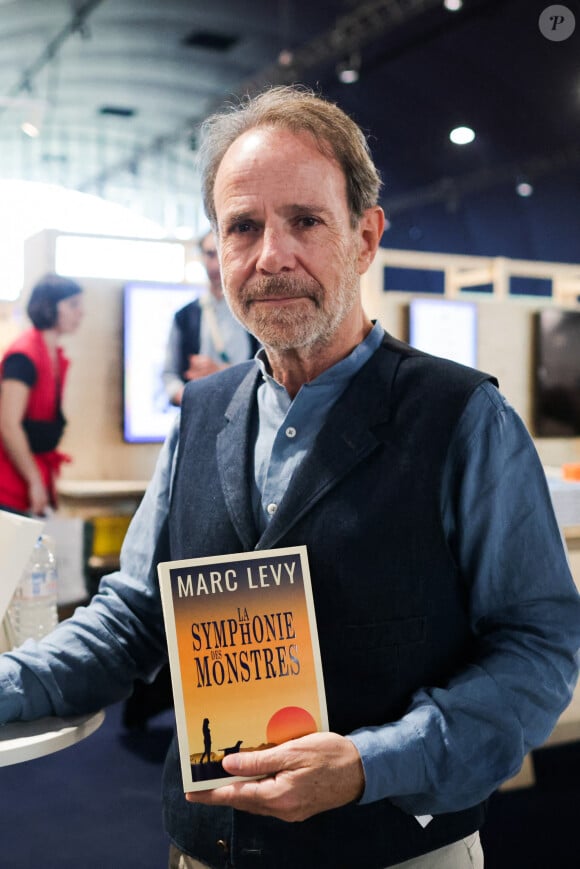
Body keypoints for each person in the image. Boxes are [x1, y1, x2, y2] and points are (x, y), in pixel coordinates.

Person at [0, 85, 579, 869]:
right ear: (219, 253)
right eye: (243, 227)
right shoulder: (201, 415)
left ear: (365, 237)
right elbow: (135, 615)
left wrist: (377, 761)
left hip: (393, 852)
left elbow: (539, 645)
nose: (271, 255)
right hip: (208, 848)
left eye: (305, 220)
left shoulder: (462, 419)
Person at [0, 273, 83, 515]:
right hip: (9, 485)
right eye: (73, 305)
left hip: (29, 477)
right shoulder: (24, 355)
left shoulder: (52, 355)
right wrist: (34, 480)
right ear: (50, 306)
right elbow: (8, 424)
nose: (81, 313)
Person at [162, 229, 259, 406]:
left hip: (248, 416)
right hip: (198, 418)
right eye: (209, 254)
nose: (215, 264)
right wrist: (193, 398)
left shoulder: (256, 311)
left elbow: (272, 377)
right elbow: (169, 377)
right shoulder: (185, 316)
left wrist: (220, 375)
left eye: (221, 253)